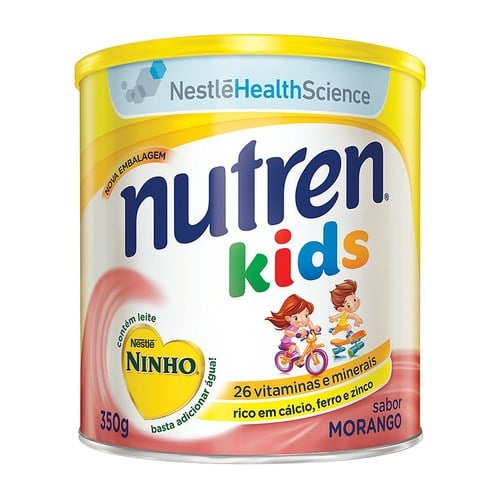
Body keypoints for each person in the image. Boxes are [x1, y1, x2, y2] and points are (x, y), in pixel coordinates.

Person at [265, 294, 321, 363]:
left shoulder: (299, 323)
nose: (301, 320)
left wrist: (313, 328)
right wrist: (296, 334)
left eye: (305, 315)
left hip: (290, 342)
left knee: (297, 350)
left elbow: (308, 322)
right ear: (288, 318)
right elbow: (286, 332)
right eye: (296, 318)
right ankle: (288, 356)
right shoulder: (292, 327)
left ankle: (299, 361)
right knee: (293, 347)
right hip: (285, 343)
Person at [328, 279, 363, 345]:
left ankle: (348, 335)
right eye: (348, 305)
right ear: (340, 308)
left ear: (353, 294)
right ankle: (332, 330)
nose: (354, 306)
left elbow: (353, 316)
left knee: (348, 326)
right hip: (339, 326)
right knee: (334, 333)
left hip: (344, 326)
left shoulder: (347, 313)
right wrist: (334, 318)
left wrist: (357, 319)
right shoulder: (344, 313)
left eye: (354, 300)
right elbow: (341, 315)